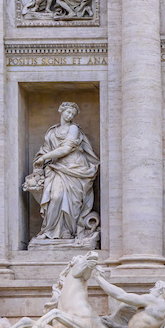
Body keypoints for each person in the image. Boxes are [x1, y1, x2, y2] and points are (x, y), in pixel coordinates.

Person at [28, 102, 99, 241]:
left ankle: (67, 231)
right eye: (68, 112)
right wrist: (43, 159)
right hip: (56, 168)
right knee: (55, 197)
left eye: (72, 114)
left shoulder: (73, 129)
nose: (70, 115)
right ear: (61, 111)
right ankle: (50, 230)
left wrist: (44, 158)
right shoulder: (52, 132)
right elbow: (46, 149)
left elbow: (65, 149)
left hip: (74, 167)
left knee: (72, 201)